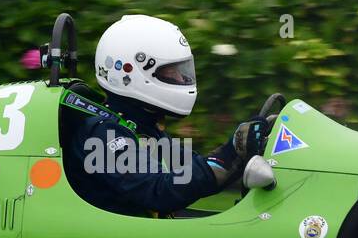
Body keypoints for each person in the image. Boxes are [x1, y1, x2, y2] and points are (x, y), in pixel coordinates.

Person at [63, 14, 269, 217]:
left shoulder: (140, 126)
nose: (181, 78)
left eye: (182, 70)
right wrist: (229, 153)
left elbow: (189, 170)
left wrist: (244, 153)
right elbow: (159, 192)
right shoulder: (104, 134)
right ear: (130, 72)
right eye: (171, 72)